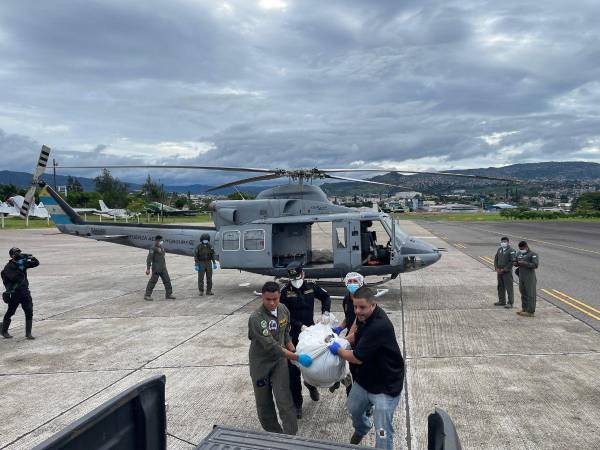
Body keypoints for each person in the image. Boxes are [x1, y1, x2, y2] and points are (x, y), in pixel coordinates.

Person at [329, 286, 404, 449]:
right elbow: (358, 335)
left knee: (382, 430)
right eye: (355, 306)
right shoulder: (365, 318)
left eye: (362, 307)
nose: (357, 311)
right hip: (366, 379)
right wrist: (345, 341)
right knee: (353, 408)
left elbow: (356, 358)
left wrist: (339, 350)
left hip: (386, 386)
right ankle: (363, 427)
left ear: (373, 304)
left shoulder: (379, 325)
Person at [248, 281, 313, 435]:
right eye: (267, 299)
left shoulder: (283, 309)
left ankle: (290, 436)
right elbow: (272, 346)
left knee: (284, 398)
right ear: (262, 298)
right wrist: (296, 356)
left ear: (279, 297)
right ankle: (275, 434)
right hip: (261, 364)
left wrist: (295, 350)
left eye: (275, 299)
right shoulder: (257, 318)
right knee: (264, 403)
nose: (271, 303)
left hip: (279, 363)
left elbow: (286, 334)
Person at [279, 262, 331, 418]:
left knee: (312, 363)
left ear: (303, 274)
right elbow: (283, 316)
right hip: (293, 336)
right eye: (292, 277)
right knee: (293, 371)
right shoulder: (285, 292)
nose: (295, 280)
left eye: (297, 276)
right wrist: (299, 326)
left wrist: (326, 312)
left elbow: (325, 297)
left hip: (310, 335)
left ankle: (310, 384)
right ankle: (297, 404)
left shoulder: (311, 287)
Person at [1, 247, 39, 339]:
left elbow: (36, 263)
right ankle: (4, 331)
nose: (19, 255)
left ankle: (28, 333)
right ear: (12, 256)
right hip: (15, 293)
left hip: (25, 292)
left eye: (19, 253)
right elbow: (15, 278)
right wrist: (20, 266)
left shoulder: (22, 263)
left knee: (29, 311)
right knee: (11, 312)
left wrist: (30, 258)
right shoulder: (9, 267)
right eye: (17, 253)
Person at [144, 235, 175, 301]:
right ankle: (147, 295)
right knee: (153, 282)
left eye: (161, 241)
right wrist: (148, 268)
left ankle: (168, 294)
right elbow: (149, 259)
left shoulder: (162, 247)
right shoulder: (152, 248)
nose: (161, 242)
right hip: (156, 268)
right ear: (156, 241)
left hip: (163, 267)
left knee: (167, 281)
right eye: (160, 241)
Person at [514, 241, 539, 317]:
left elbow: (535, 265)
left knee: (530, 294)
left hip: (529, 277)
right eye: (520, 248)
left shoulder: (533, 254)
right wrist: (516, 263)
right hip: (521, 276)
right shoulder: (519, 253)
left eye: (522, 248)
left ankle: (531, 311)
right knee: (523, 292)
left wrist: (525, 263)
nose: (521, 249)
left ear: (526, 247)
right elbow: (515, 261)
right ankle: (524, 308)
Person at [493, 237, 516, 308]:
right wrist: (496, 268)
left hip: (507, 272)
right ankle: (502, 301)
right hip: (499, 271)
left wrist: (505, 269)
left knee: (509, 287)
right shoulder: (500, 249)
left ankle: (510, 302)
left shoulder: (511, 250)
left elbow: (512, 261)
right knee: (500, 287)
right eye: (502, 242)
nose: (503, 243)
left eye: (505, 242)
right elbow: (496, 259)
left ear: (508, 242)